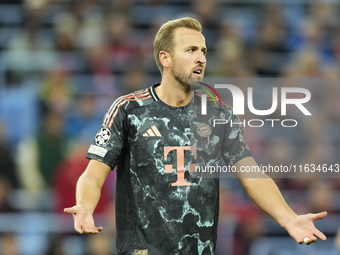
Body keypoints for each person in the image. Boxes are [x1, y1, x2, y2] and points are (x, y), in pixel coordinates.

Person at [64, 17, 328, 254]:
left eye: (203, 51)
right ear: (165, 58)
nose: (201, 57)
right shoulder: (128, 109)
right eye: (190, 50)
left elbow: (252, 175)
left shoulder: (218, 114)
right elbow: (93, 174)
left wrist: (289, 219)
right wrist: (85, 207)